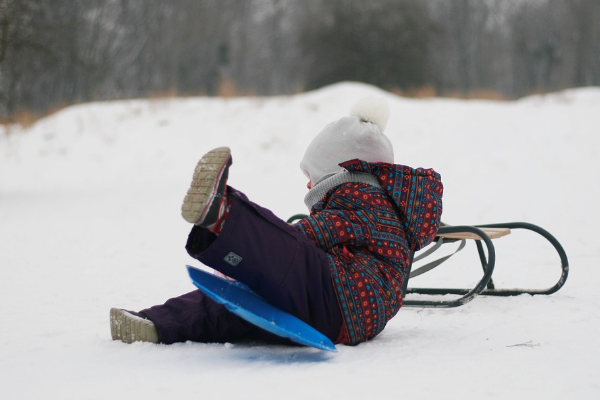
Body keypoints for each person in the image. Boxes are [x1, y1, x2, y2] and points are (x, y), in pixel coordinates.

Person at [110, 97, 443, 347]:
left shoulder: (364, 202)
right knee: (236, 304)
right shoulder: (375, 205)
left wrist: (262, 252)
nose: (308, 186)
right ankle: (154, 324)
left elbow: (311, 235)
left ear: (338, 174)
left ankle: (220, 215)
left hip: (343, 297)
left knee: (287, 252)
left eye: (311, 176)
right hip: (343, 314)